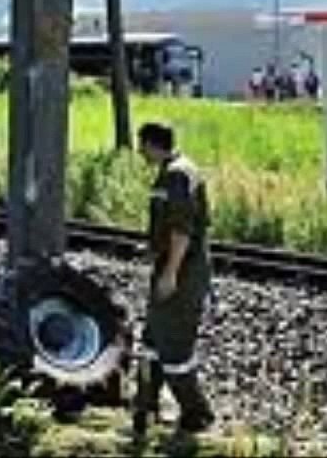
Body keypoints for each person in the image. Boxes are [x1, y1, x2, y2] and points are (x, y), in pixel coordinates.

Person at [130, 122, 215, 448]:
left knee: (175, 345)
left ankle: (196, 413)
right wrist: (153, 250)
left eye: (142, 146)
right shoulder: (173, 170)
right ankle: (145, 406)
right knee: (152, 340)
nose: (140, 153)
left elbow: (182, 230)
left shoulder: (178, 174)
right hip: (171, 264)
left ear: (153, 144)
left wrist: (171, 273)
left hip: (183, 271)